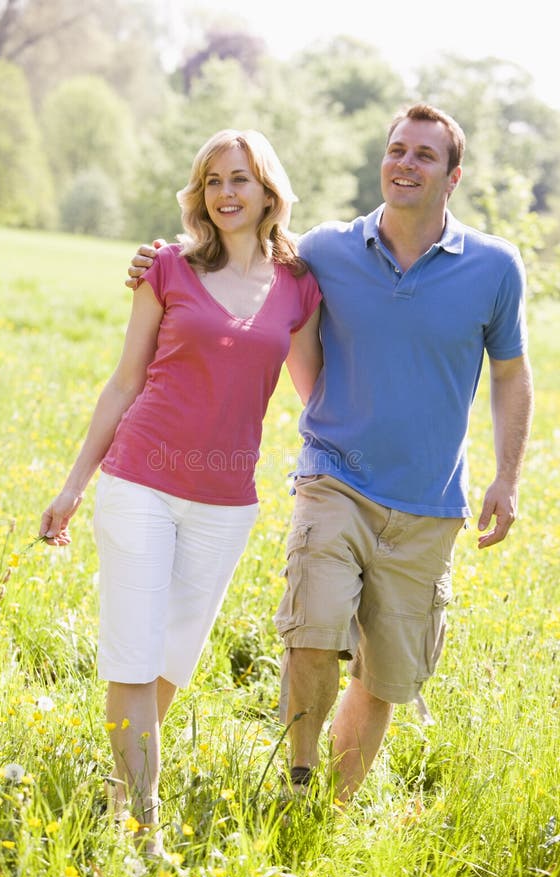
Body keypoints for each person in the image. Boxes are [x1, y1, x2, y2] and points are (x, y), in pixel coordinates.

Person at [125, 103, 534, 803]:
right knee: (311, 631)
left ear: (453, 176)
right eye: (396, 149)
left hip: (429, 503)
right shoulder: (325, 250)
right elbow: (241, 245)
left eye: (424, 155)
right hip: (333, 475)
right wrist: (165, 257)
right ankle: (296, 780)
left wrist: (508, 477)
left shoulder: (494, 267)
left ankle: (329, 812)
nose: (405, 163)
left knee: (384, 677)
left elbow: (510, 373)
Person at [39, 128, 322, 849]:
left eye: (241, 179)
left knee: (169, 663)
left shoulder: (299, 285)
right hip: (139, 483)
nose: (226, 193)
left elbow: (316, 391)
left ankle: (119, 787)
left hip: (226, 504)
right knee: (133, 656)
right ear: (200, 195)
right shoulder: (165, 266)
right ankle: (143, 833)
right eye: (213, 181)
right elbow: (124, 381)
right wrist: (75, 485)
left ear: (269, 192)